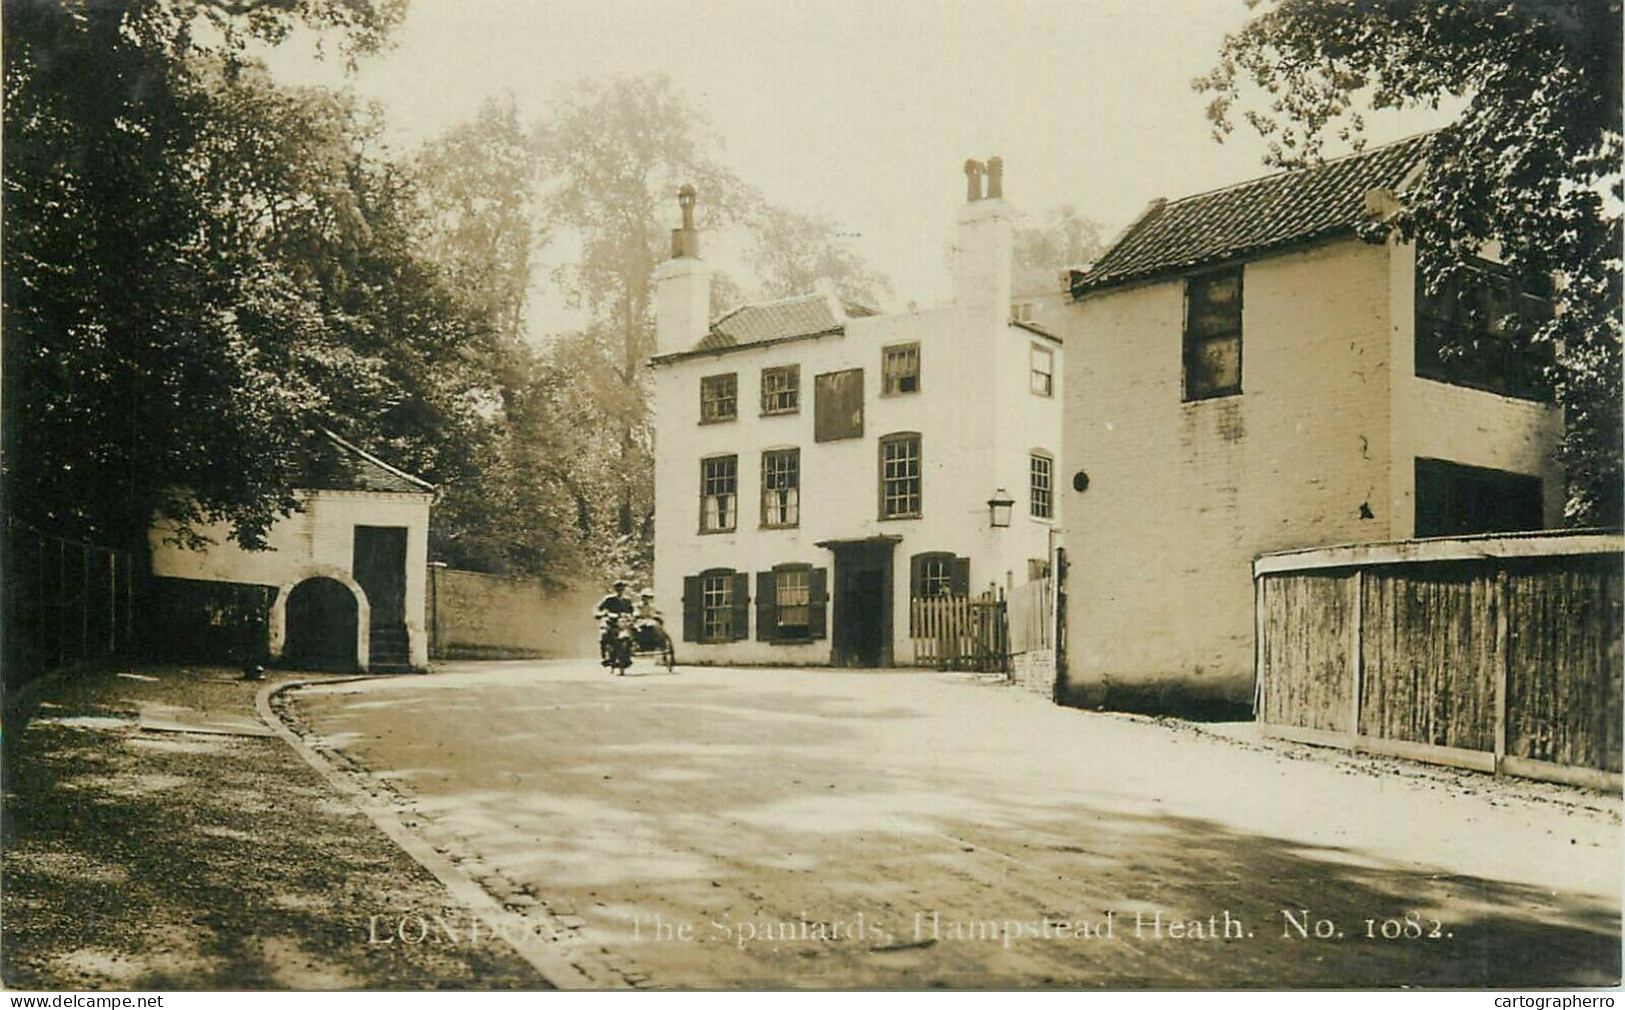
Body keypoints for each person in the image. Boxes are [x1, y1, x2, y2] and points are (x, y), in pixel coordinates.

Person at [594, 579, 635, 666]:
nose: (620, 590)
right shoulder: (609, 599)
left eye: (621, 588)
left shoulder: (627, 600)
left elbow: (632, 611)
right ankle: (605, 657)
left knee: (631, 635)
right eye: (618, 588)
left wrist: (633, 616)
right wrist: (600, 614)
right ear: (615, 589)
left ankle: (627, 656)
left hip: (623, 622)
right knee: (604, 635)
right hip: (610, 621)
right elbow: (598, 608)